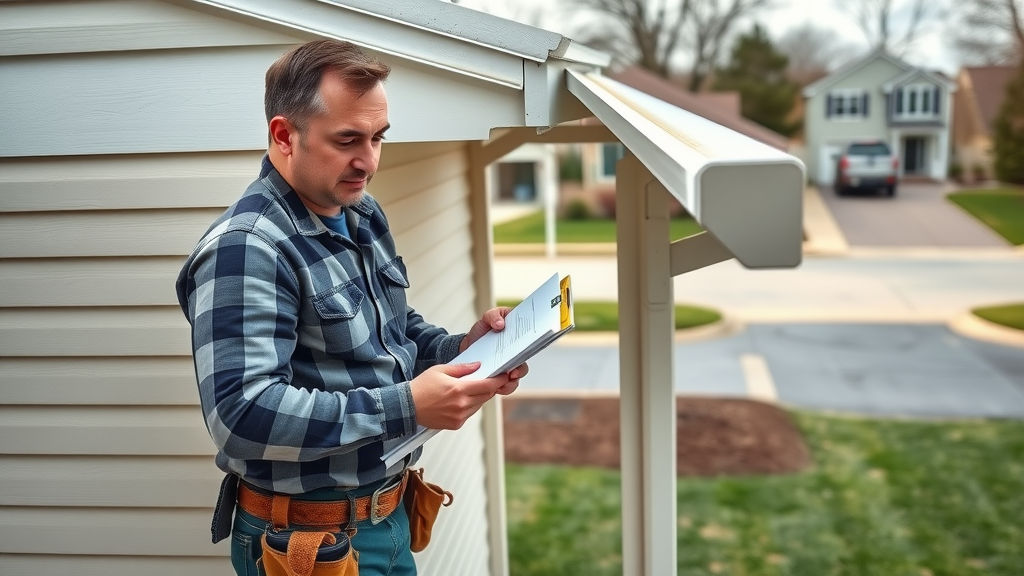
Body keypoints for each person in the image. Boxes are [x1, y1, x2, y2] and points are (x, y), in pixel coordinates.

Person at [175, 39, 526, 576]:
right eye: (347, 140)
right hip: (305, 546)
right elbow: (241, 415)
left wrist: (461, 348)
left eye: (377, 137)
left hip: (388, 517)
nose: (369, 161)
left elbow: (392, 329)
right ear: (284, 135)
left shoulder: (360, 212)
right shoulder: (247, 247)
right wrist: (407, 405)